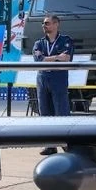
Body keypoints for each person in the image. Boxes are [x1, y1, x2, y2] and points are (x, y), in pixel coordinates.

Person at [31, 13, 74, 155]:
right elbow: (38, 59)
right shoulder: (39, 43)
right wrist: (56, 57)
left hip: (58, 78)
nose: (44, 26)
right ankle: (50, 145)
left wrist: (47, 58)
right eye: (43, 23)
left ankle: (66, 143)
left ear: (56, 24)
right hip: (43, 78)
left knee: (61, 111)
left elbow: (67, 58)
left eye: (47, 23)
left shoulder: (66, 40)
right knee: (45, 112)